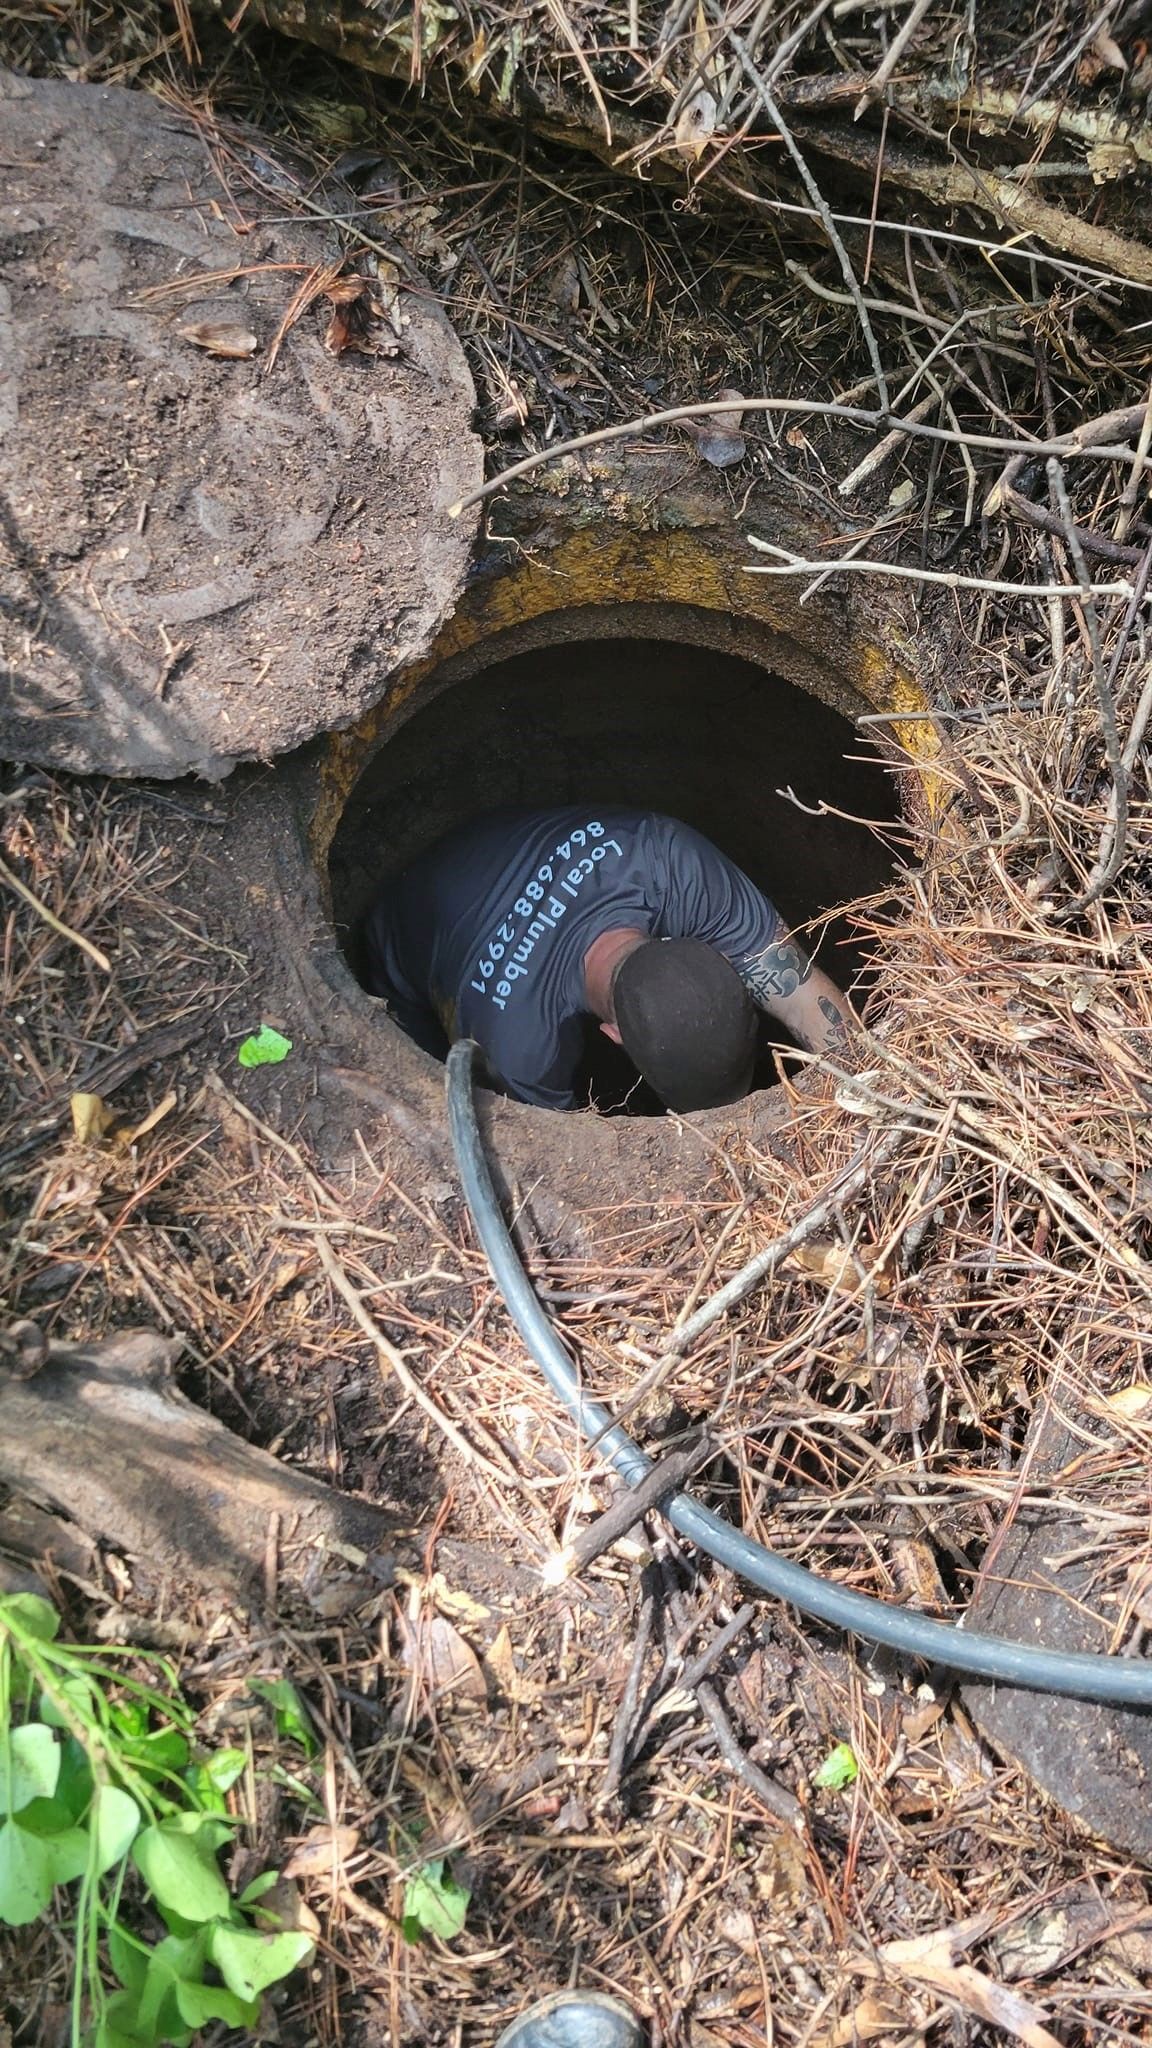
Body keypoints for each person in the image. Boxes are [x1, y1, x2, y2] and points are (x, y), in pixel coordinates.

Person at [363, 806, 855, 1113]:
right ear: (613, 1037)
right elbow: (551, 1156)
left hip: (487, 845)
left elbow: (799, 991)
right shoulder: (515, 1048)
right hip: (399, 943)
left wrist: (865, 1083)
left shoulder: (671, 863)